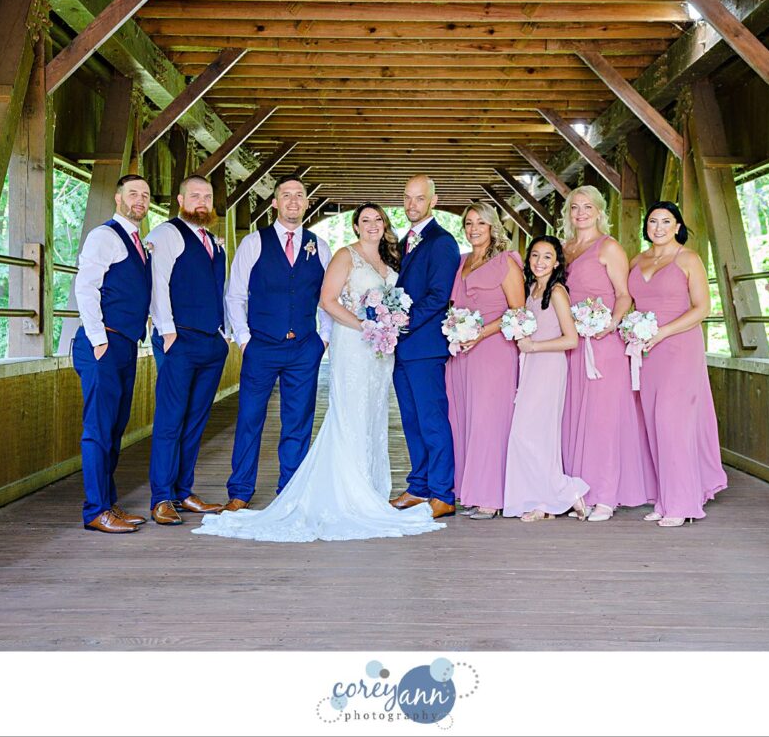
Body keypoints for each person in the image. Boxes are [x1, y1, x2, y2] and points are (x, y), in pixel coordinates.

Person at [194, 204, 444, 541]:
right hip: (356, 344)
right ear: (356, 227)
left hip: (380, 351)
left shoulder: (393, 258)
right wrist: (364, 326)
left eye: (378, 220)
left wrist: (387, 325)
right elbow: (327, 301)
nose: (372, 225)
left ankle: (369, 488)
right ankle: (345, 492)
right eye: (365, 220)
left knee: (373, 415)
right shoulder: (344, 255)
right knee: (350, 414)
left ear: (385, 225)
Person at [223, 174, 333, 511]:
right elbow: (236, 295)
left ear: (306, 203)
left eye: (300, 195)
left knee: (298, 420)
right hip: (262, 346)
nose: (293, 201)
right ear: (274, 202)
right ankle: (240, 491)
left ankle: (291, 489)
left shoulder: (320, 246)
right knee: (250, 418)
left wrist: (323, 339)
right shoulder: (254, 243)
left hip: (304, 348)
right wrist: (244, 340)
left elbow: (328, 297)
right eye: (286, 195)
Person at [628, 201, 727, 527]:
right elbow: (627, 302)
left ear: (678, 226)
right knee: (653, 423)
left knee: (673, 422)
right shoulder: (637, 260)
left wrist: (663, 332)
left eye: (665, 221)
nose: (658, 227)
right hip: (645, 351)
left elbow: (702, 308)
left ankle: (683, 504)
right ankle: (664, 498)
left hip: (679, 348)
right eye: (653, 221)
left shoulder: (689, 259)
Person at [561, 185, 656, 521]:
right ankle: (581, 492)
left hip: (602, 345)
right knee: (576, 418)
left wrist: (609, 323)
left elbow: (623, 295)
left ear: (600, 211)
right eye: (575, 208)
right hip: (572, 346)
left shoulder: (609, 247)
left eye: (588, 207)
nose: (581, 213)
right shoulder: (565, 248)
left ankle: (606, 495)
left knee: (603, 420)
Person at [71, 175, 153, 533]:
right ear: (118, 198)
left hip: (124, 344)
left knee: (115, 428)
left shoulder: (139, 243)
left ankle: (108, 503)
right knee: (98, 430)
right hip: (103, 344)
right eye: (133, 193)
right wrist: (98, 338)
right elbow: (86, 287)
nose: (140, 199)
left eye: (145, 195)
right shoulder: (104, 236)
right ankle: (95, 511)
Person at [146, 175, 228, 525]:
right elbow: (157, 283)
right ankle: (161, 497)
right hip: (179, 339)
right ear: (180, 200)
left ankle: (183, 490)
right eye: (195, 195)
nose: (202, 202)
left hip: (211, 342)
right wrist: (166, 331)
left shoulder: (214, 242)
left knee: (195, 420)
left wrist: (224, 333)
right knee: (170, 419)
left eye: (207, 197)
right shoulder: (166, 234)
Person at [388, 175, 462, 519]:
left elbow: (437, 296)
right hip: (403, 348)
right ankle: (419, 486)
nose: (411, 205)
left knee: (432, 420)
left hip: (425, 346)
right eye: (407, 198)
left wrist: (400, 321)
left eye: (419, 199)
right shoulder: (405, 242)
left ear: (433, 201)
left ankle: (443, 493)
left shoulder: (442, 242)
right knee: (412, 420)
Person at [445, 202, 524, 519]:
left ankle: (491, 497)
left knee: (489, 421)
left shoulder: (506, 263)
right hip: (461, 355)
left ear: (493, 227)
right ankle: (471, 491)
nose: (474, 228)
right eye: (469, 223)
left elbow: (518, 313)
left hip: (493, 352)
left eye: (480, 223)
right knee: (462, 418)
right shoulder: (461, 262)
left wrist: (480, 333)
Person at [503, 236, 590, 522]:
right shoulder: (530, 290)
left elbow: (571, 339)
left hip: (549, 366)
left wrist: (534, 346)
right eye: (535, 256)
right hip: (530, 366)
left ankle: (553, 497)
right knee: (527, 435)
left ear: (556, 262)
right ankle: (551, 497)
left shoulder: (556, 292)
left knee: (533, 434)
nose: (540, 262)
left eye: (547, 257)